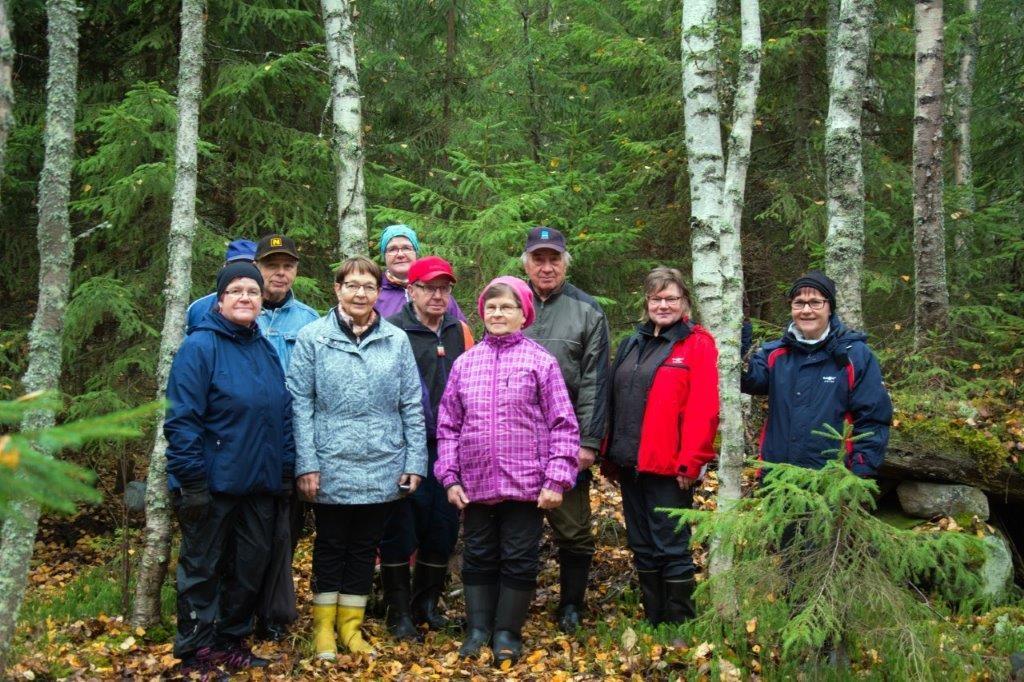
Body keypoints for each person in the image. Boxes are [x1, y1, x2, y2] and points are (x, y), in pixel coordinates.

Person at [287, 256, 427, 660]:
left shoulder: (395, 339)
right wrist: (307, 463)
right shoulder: (312, 337)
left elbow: (411, 404)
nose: (360, 293)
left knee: (365, 547)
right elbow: (300, 404)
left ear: (377, 292)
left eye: (368, 286)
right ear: (337, 289)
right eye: (352, 285)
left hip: (383, 460)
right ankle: (323, 631)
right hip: (330, 461)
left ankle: (351, 628)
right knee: (331, 545)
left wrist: (415, 461)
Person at [435, 276, 580, 665]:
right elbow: (448, 425)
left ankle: (507, 633)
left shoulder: (540, 362)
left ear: (523, 315)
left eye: (507, 307)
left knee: (519, 556)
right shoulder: (466, 363)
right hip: (476, 483)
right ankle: (478, 629)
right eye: (491, 307)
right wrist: (449, 476)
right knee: (479, 554)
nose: (498, 314)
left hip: (526, 484)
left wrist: (556, 479)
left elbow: (563, 424)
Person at [164, 262, 294, 675]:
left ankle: (230, 639)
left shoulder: (265, 350)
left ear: (261, 300)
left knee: (250, 566)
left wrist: (286, 471)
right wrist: (192, 482)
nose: (245, 297)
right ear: (220, 300)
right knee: (202, 569)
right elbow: (181, 419)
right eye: (236, 291)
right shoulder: (199, 348)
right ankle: (196, 649)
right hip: (212, 484)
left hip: (260, 484)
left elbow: (282, 414)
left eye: (252, 292)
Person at [601, 267, 719, 625]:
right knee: (641, 544)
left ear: (684, 302)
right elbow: (614, 400)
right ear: (646, 302)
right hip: (629, 461)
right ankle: (655, 620)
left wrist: (692, 460)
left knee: (671, 545)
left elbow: (704, 408)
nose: (663, 305)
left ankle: (679, 623)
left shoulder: (697, 344)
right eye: (656, 298)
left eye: (671, 298)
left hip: (669, 466)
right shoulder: (631, 343)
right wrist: (609, 454)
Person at [379, 256, 474, 640]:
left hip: (450, 447)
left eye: (444, 288)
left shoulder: (459, 331)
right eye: (429, 288)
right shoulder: (392, 331)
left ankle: (427, 605)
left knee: (442, 528)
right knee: (400, 530)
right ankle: (397, 612)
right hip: (404, 445)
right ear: (411, 290)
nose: (437, 295)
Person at [520, 226, 610, 632]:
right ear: (526, 263)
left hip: (565, 440)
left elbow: (595, 379)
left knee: (573, 529)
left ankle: (571, 604)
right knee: (517, 527)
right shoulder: (509, 302)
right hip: (516, 440)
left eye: (553, 258)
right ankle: (514, 606)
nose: (546, 266)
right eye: (538, 259)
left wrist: (588, 441)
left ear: (565, 262)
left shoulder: (587, 310)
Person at [741, 270, 892, 476]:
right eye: (799, 302)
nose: (806, 310)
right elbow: (748, 379)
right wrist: (740, 333)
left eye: (815, 302)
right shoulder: (775, 354)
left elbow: (873, 419)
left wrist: (860, 472)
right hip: (776, 478)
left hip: (832, 480)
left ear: (830, 308)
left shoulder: (854, 355)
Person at [374, 223, 466, 321]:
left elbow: (461, 331)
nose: (400, 254)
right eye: (392, 249)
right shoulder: (375, 294)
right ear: (384, 255)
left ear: (416, 253)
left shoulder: (439, 293)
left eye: (406, 248)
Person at [185, 238, 258, 330]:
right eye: (235, 266)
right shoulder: (199, 308)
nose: (242, 271)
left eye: (250, 266)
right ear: (224, 267)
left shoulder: (268, 310)